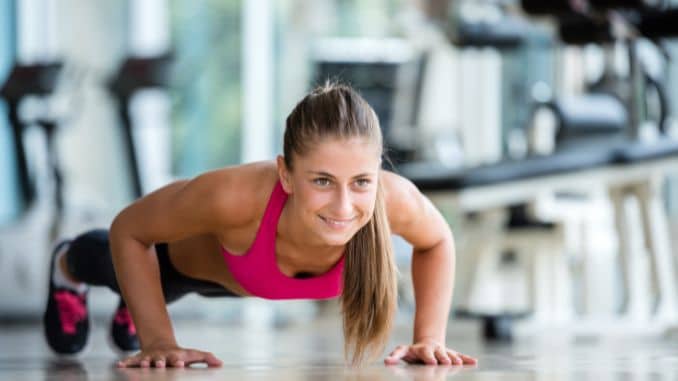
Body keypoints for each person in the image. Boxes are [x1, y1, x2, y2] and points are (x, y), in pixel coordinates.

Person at [43, 83, 477, 368]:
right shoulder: (234, 196)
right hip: (175, 266)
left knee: (141, 294)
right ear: (286, 174)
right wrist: (157, 339)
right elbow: (130, 230)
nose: (345, 206)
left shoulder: (391, 200)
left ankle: (137, 300)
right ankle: (68, 267)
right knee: (103, 264)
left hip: (229, 280)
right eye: (322, 181)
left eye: (361, 181)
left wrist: (429, 337)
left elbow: (438, 240)